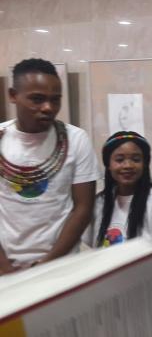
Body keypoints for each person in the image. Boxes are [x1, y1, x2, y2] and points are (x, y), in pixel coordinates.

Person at [0, 58, 99, 275]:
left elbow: (83, 209)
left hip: (60, 267)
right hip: (6, 269)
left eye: (55, 100)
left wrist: (47, 264)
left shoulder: (76, 139)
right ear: (13, 95)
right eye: (37, 99)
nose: (48, 108)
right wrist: (4, 267)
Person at [86, 131, 152, 247]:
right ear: (108, 164)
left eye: (136, 159)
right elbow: (85, 246)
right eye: (119, 160)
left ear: (145, 164)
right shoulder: (98, 202)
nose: (128, 165)